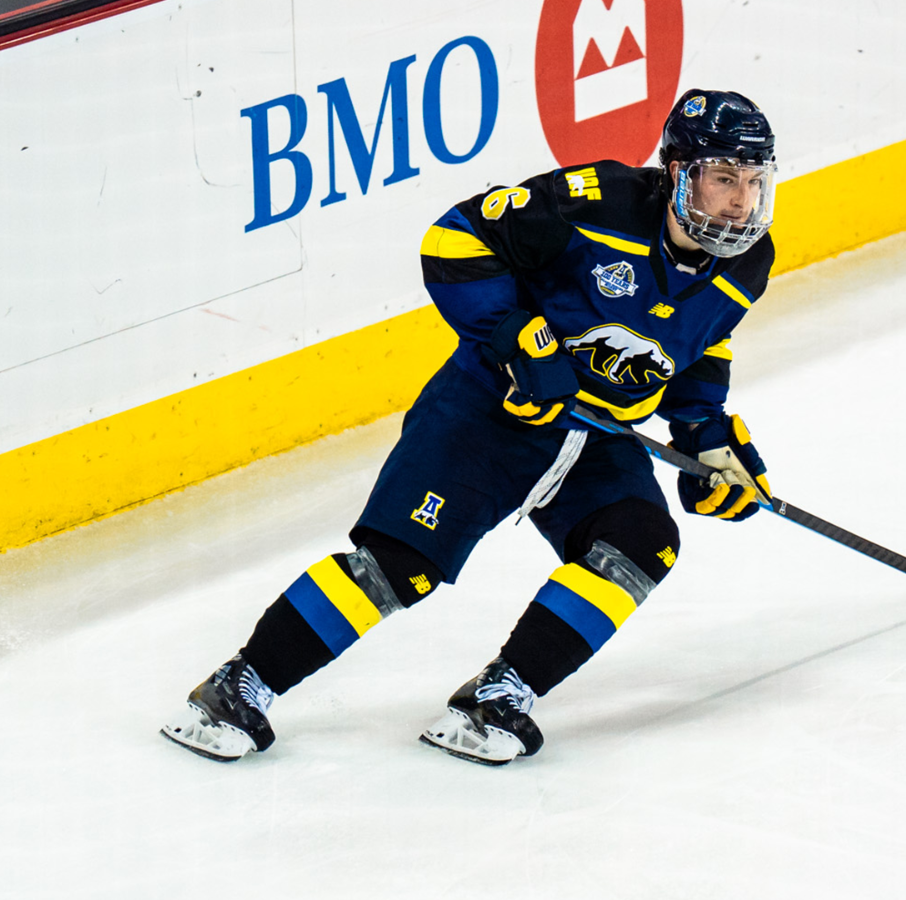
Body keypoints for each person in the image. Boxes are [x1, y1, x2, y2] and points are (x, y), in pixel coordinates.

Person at [161, 89, 780, 766]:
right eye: (723, 178)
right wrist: (519, 340)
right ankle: (238, 684)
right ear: (677, 171)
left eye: (754, 181)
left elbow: (703, 345)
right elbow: (454, 238)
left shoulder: (749, 261)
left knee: (642, 543)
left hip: (598, 437)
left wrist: (707, 436)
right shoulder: (594, 203)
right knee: (400, 569)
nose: (740, 202)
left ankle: (499, 696)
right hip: (491, 411)